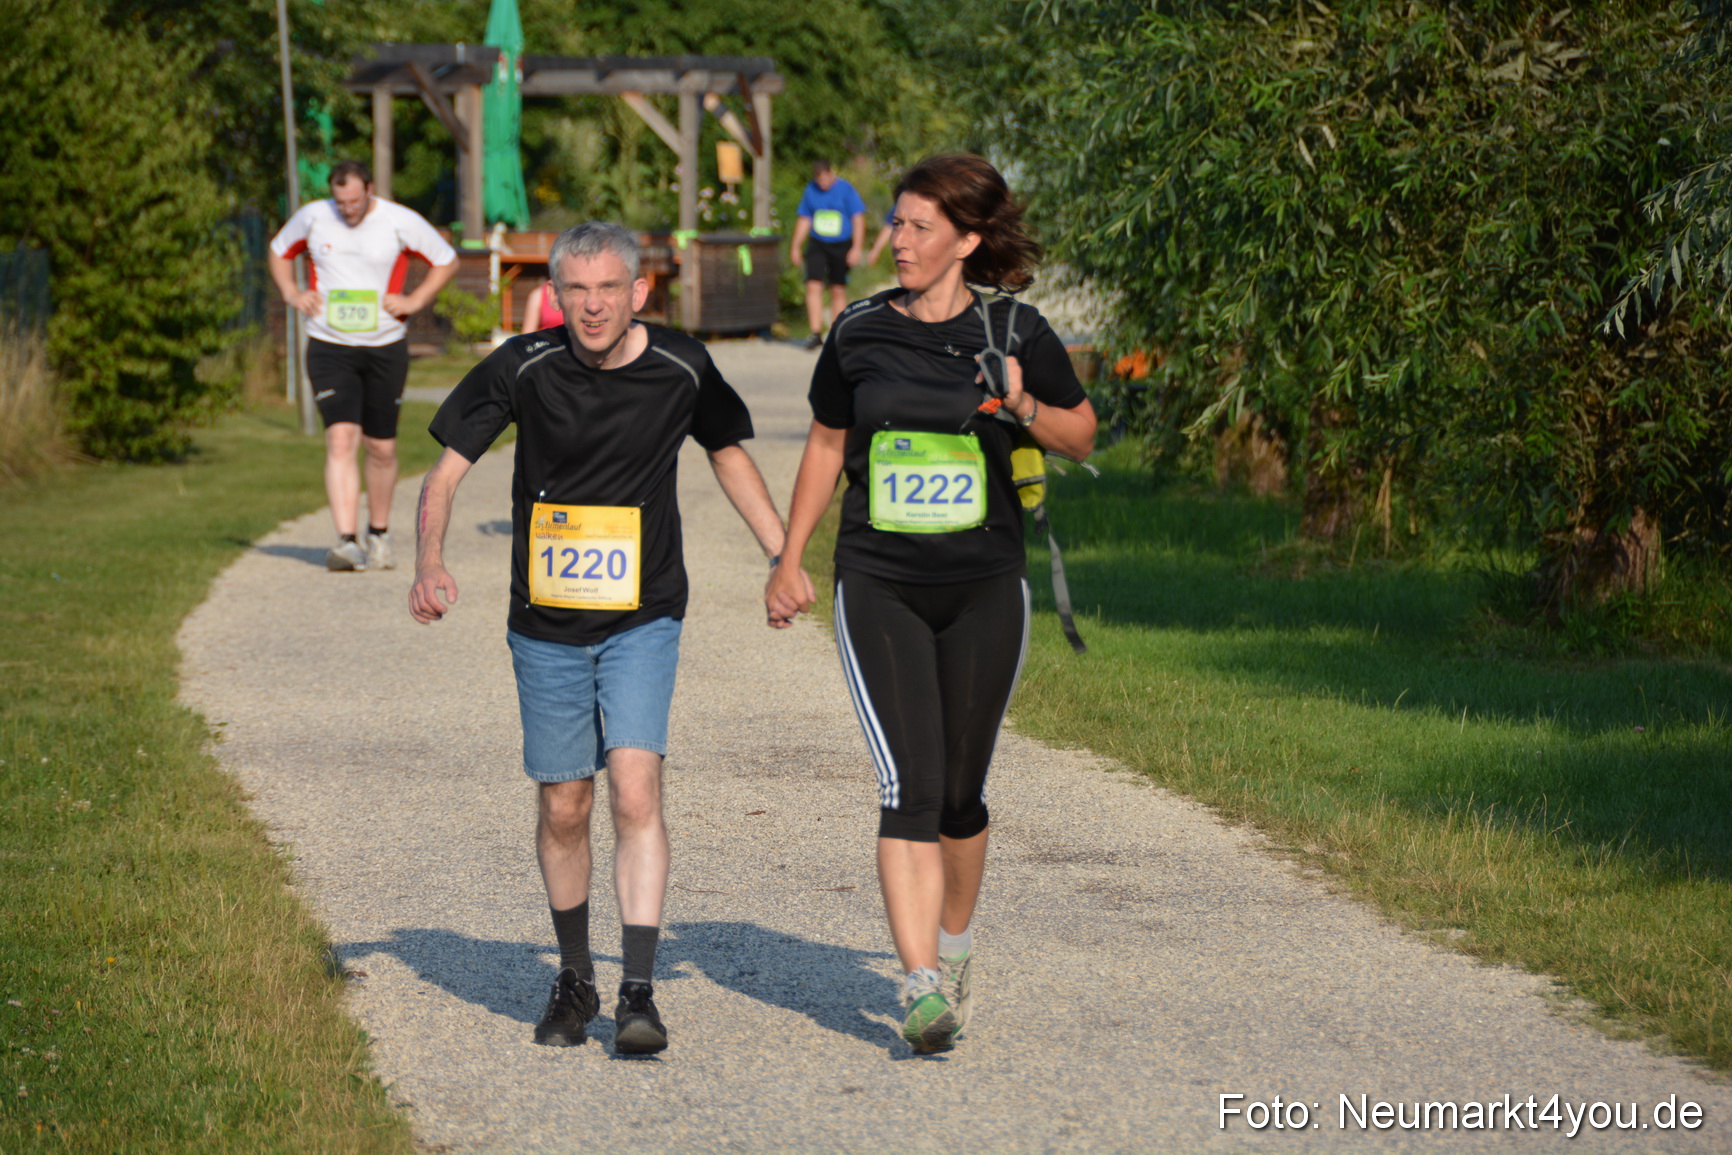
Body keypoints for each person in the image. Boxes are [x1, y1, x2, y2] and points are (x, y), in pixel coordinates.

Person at [410, 221, 808, 1055]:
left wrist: (783, 553)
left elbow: (729, 453)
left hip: (643, 613)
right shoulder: (522, 365)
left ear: (639, 292)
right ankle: (575, 975)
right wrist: (429, 560)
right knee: (565, 802)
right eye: (576, 290)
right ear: (557, 295)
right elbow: (446, 470)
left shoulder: (681, 366)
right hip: (545, 625)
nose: (592, 305)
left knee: (633, 787)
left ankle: (637, 990)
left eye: (608, 288)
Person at [765, 155, 1097, 1054]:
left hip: (987, 583)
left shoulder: (1015, 330)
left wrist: (1023, 402)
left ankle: (952, 952)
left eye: (918, 227)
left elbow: (1080, 432)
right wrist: (790, 556)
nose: (899, 241)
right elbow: (828, 443)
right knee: (907, 785)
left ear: (967, 240)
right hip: (879, 582)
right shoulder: (859, 329)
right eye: (897, 224)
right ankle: (918, 983)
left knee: (960, 793)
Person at [269, 160, 459, 572]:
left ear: (370, 189)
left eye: (355, 200)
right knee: (340, 440)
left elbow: (446, 259)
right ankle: (346, 541)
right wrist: (290, 291)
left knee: (381, 447)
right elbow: (278, 250)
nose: (348, 209)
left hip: (384, 346)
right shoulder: (314, 217)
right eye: (341, 202)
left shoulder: (398, 220)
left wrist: (413, 301)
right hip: (328, 343)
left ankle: (379, 532)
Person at [789, 160, 866, 349]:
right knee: (813, 284)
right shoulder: (810, 190)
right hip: (818, 243)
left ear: (831, 174)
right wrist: (796, 246)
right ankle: (815, 333)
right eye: (819, 179)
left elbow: (858, 218)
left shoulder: (846, 190)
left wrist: (856, 247)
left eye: (825, 178)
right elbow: (805, 218)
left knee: (837, 288)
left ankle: (836, 332)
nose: (822, 183)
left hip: (841, 245)